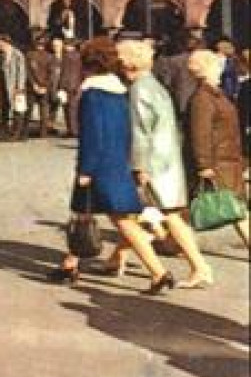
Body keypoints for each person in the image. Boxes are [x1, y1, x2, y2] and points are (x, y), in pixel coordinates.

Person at [47, 37, 175, 293]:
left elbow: (93, 135)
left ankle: (159, 273)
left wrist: (86, 169)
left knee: (121, 221)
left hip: (99, 165)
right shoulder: (120, 93)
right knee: (85, 213)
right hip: (117, 161)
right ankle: (70, 264)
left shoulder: (92, 94)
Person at [107, 38, 212, 286]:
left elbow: (141, 131)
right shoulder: (153, 85)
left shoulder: (138, 91)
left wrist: (138, 165)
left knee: (153, 215)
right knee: (142, 214)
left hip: (153, 163)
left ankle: (200, 266)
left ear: (128, 63)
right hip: (167, 159)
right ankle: (116, 257)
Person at [186, 48, 249, 250]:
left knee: (236, 208)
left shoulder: (215, 94)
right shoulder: (203, 98)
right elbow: (200, 132)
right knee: (234, 208)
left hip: (227, 159)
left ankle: (171, 243)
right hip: (219, 162)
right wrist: (204, 164)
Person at [0, 33, 28, 142]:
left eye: (1, 43)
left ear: (6, 43)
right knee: (4, 109)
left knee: (18, 110)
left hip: (16, 87)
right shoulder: (2, 55)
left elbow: (22, 71)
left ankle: (17, 133)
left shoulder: (17, 54)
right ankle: (4, 131)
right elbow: (2, 70)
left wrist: (19, 88)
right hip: (5, 86)